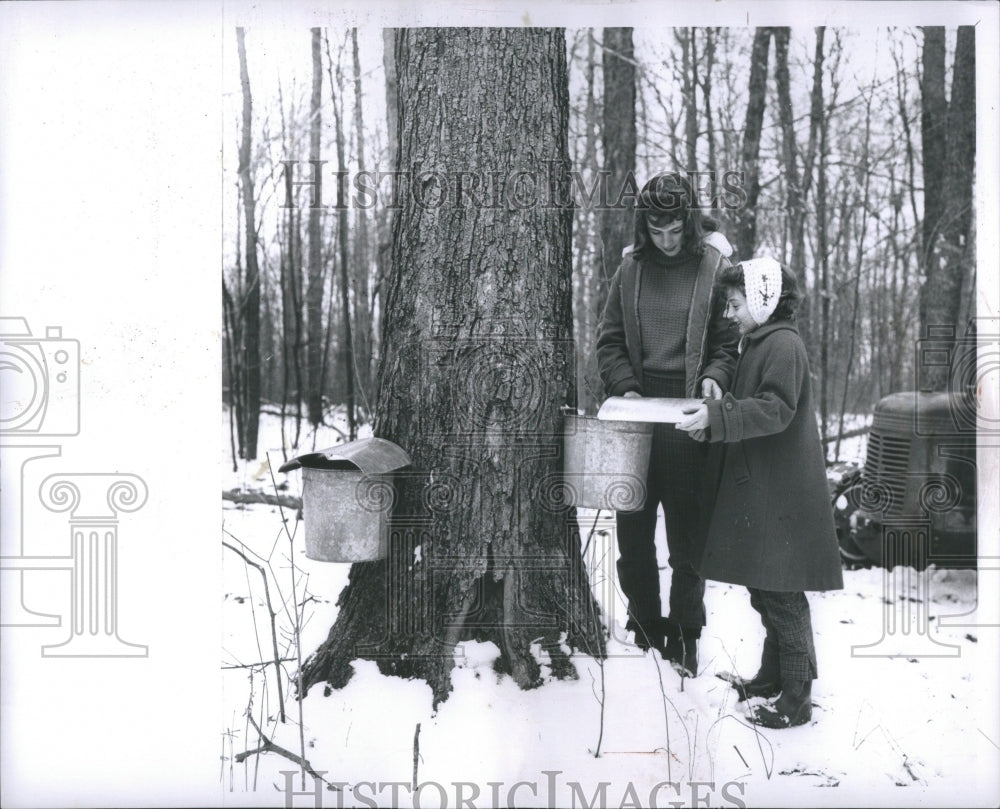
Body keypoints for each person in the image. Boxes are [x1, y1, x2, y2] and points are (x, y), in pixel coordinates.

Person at [677, 256, 844, 728]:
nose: (729, 315)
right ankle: (773, 675)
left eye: (735, 304)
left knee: (782, 591)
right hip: (764, 488)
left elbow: (776, 409)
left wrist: (719, 417)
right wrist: (714, 421)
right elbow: (748, 405)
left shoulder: (784, 345)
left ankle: (797, 696)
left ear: (764, 300)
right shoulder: (759, 341)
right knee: (764, 587)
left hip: (781, 492)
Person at [596, 172, 738, 676]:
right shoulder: (630, 270)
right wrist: (626, 387)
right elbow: (609, 340)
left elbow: (728, 340)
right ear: (644, 226)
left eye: (676, 229)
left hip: (688, 422)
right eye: (657, 231)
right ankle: (644, 630)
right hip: (636, 424)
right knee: (633, 538)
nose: (668, 240)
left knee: (688, 541)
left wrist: (716, 377)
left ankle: (684, 635)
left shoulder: (714, 267)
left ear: (691, 220)